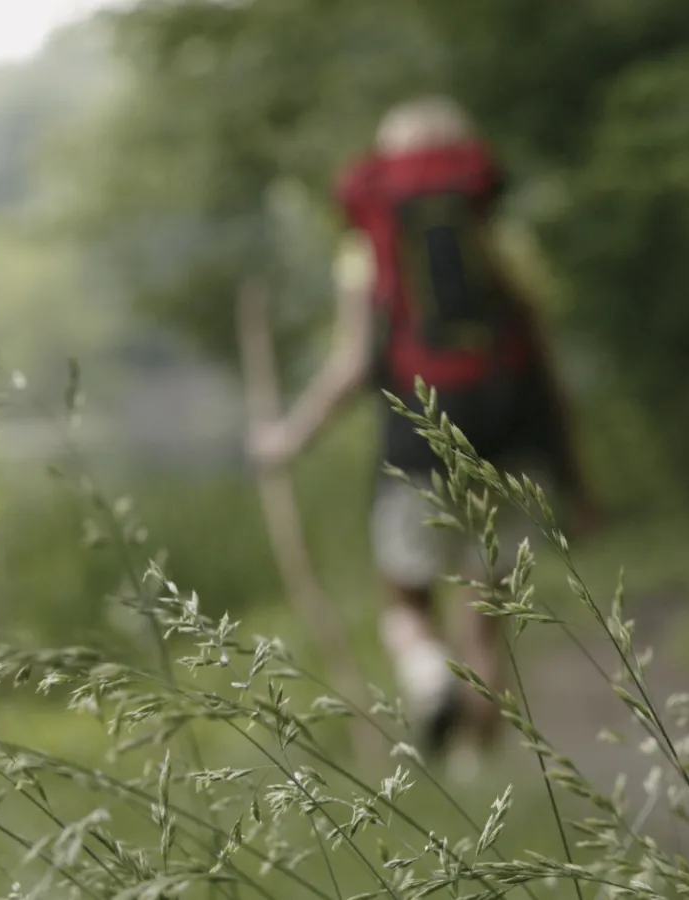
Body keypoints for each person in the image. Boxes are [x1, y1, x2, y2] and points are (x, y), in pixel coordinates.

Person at [249, 95, 598, 766]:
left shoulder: (369, 247)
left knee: (406, 599)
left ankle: (429, 678)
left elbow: (353, 365)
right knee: (487, 619)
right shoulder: (501, 237)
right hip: (511, 440)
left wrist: (289, 437)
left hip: (417, 444)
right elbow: (549, 372)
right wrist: (579, 480)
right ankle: (481, 773)